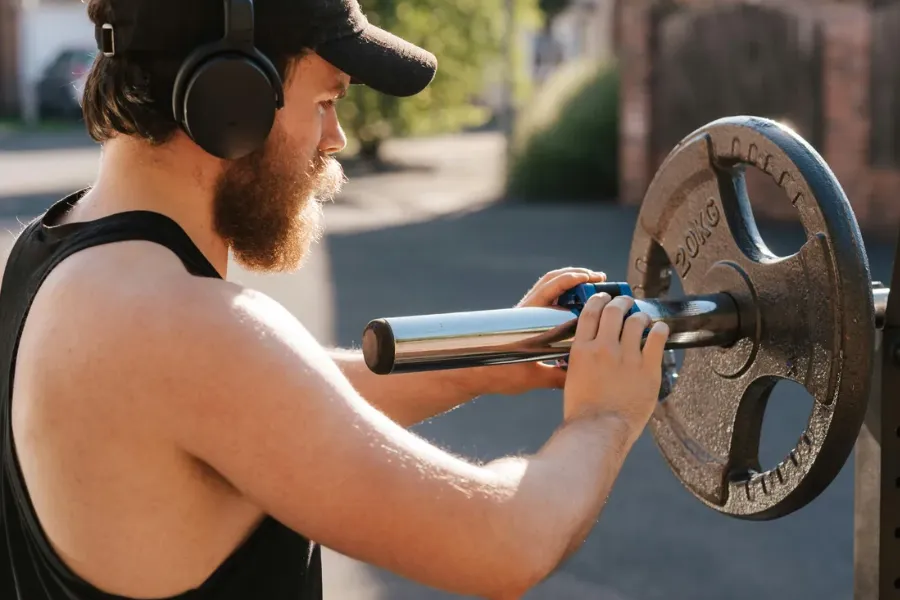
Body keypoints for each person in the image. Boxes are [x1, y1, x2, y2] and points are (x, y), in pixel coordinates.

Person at [0, 0, 670, 599]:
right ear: (228, 96)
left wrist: (483, 364)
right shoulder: (184, 327)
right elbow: (507, 540)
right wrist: (605, 417)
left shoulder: (51, 253)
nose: (335, 138)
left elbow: (268, 403)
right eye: (326, 102)